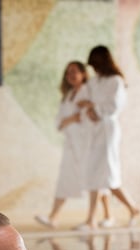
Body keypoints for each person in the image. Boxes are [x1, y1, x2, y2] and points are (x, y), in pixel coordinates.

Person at [35, 61, 114, 230]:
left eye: (74, 72)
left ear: (83, 74)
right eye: (68, 73)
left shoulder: (89, 92)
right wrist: (69, 120)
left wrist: (70, 120)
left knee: (96, 179)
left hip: (89, 143)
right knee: (66, 179)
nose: (70, 75)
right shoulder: (68, 95)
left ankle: (104, 216)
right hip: (72, 145)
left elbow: (89, 116)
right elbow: (59, 122)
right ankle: (53, 217)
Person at [77, 45, 140, 229]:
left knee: (108, 175)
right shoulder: (94, 82)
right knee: (95, 174)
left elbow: (113, 106)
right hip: (94, 131)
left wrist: (93, 108)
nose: (93, 68)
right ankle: (94, 218)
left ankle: (131, 209)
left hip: (107, 130)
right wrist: (89, 108)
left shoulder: (116, 81)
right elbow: (84, 102)